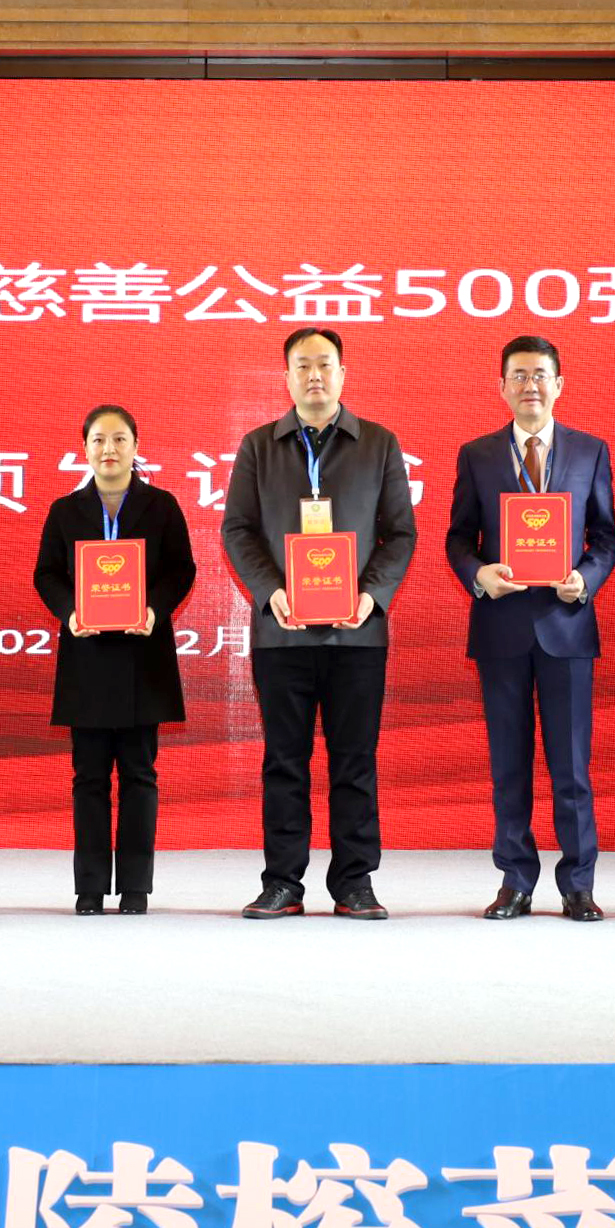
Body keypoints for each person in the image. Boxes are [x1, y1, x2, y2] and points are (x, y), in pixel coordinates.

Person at [221, 327, 417, 920]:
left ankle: (355, 882)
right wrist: (270, 591)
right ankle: (283, 881)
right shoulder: (259, 446)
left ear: (342, 373)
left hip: (357, 634)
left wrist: (372, 595)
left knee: (355, 760)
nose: (314, 375)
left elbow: (400, 533)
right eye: (302, 365)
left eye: (325, 364)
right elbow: (237, 530)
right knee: (285, 760)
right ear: (286, 377)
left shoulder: (378, 443)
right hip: (281, 633)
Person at [445, 335, 615, 921]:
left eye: (540, 374)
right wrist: (479, 574)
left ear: (559, 384)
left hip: (567, 626)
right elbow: (458, 537)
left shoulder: (590, 451)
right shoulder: (478, 454)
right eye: (518, 375)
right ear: (501, 387)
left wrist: (585, 579)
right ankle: (515, 881)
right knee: (509, 766)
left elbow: (606, 537)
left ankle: (578, 884)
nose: (530, 385)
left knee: (572, 768)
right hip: (501, 627)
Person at [32, 405, 197, 915]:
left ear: (135, 446)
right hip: (87, 658)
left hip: (142, 656)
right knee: (88, 777)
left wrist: (154, 609)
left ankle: (135, 886)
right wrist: (70, 611)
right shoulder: (66, 510)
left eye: (120, 439)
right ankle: (89, 886)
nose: (109, 449)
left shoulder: (161, 506)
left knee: (140, 775)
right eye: (99, 440)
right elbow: (46, 574)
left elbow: (181, 569)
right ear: (84, 449)